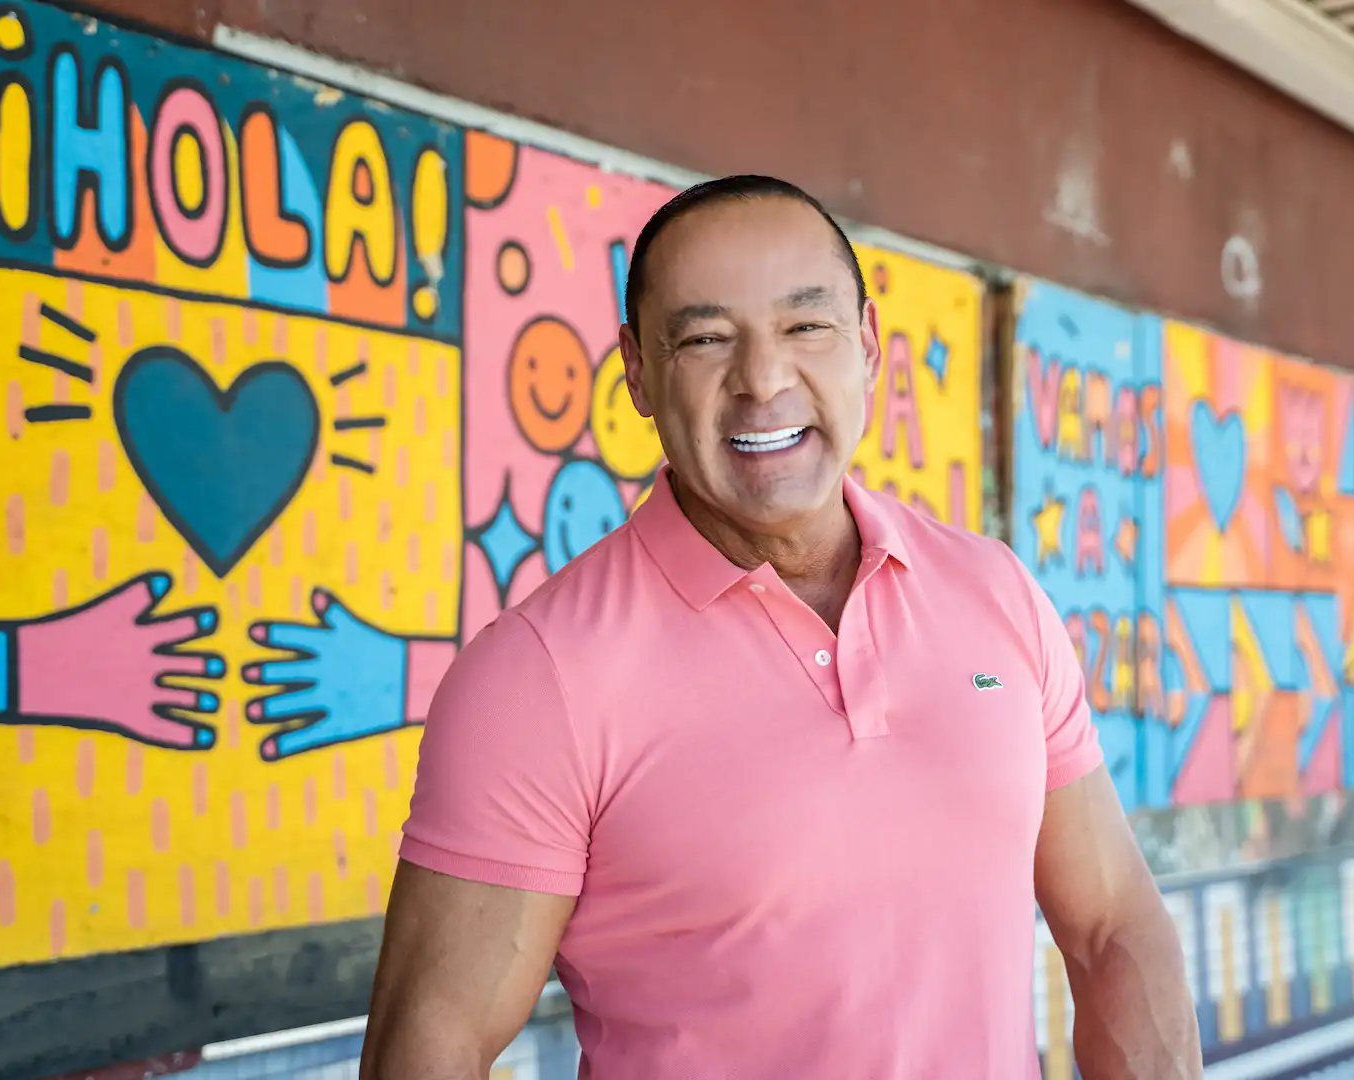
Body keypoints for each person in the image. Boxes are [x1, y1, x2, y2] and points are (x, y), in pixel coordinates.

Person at [361, 175, 1202, 1079]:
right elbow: (429, 1047)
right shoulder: (540, 675)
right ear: (638, 373)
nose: (763, 379)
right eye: (705, 339)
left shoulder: (995, 592)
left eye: (807, 327)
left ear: (868, 344)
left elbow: (1114, 920)